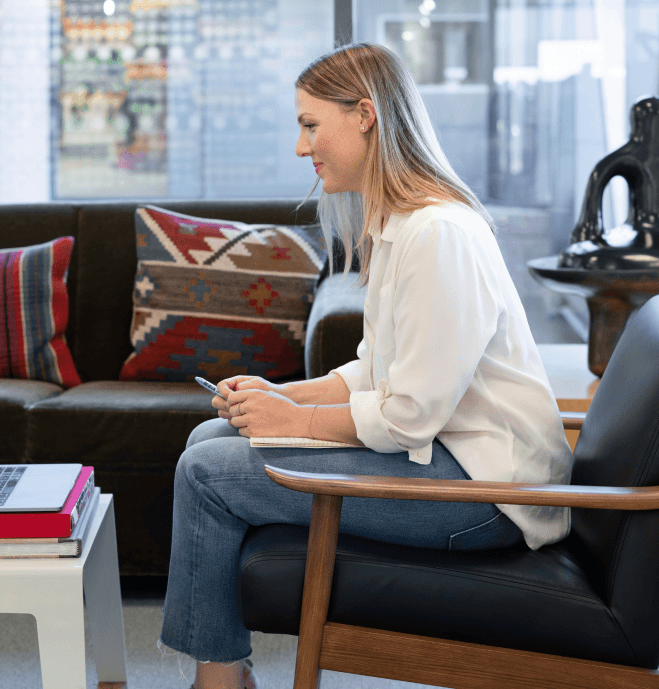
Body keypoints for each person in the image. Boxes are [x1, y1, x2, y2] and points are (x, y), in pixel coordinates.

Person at [158, 42, 574, 689]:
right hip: (449, 460)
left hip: (490, 494)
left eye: (309, 125)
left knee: (209, 471)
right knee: (211, 437)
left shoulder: (438, 235)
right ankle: (224, 673)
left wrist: (293, 418)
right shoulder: (402, 227)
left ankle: (218, 681)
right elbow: (372, 370)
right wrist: (279, 396)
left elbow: (409, 414)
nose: (302, 148)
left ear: (365, 116)